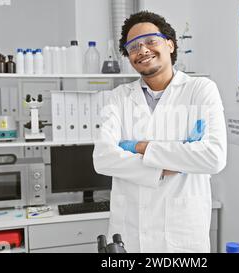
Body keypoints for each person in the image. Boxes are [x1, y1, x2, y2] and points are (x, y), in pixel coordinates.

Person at [93, 11, 227, 253]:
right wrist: (175, 161)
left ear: (170, 44)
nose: (142, 50)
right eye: (133, 46)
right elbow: (103, 159)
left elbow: (213, 157)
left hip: (182, 233)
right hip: (129, 230)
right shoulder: (118, 97)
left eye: (150, 41)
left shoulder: (201, 89)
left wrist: (139, 147)